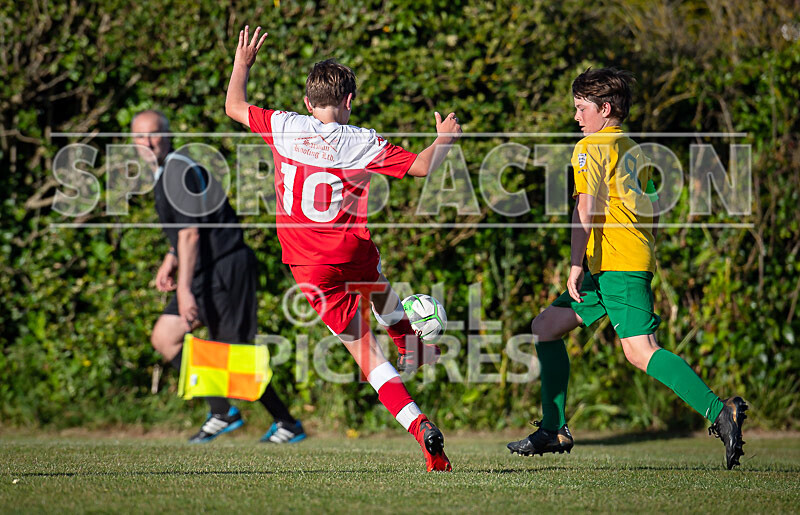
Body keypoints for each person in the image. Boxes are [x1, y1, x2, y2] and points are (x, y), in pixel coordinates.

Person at [224, 26, 461, 471]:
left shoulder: (285, 125)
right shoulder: (362, 140)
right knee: (375, 281)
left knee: (365, 352)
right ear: (349, 100)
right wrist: (445, 136)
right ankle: (409, 342)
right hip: (351, 249)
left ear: (307, 102)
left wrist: (243, 64)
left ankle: (420, 426)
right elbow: (423, 166)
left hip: (308, 264)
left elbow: (234, 106)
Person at [506, 68, 748, 470]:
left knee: (640, 351)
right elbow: (654, 209)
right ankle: (553, 428)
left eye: (581, 108)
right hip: (615, 263)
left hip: (616, 265)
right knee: (546, 326)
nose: (576, 117)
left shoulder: (589, 147)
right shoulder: (635, 149)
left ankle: (720, 411)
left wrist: (575, 264)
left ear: (605, 109)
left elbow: (583, 210)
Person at [131, 109, 305, 444]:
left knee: (234, 353)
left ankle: (286, 423)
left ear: (168, 136)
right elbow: (189, 229)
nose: (147, 142)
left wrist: (183, 289)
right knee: (165, 337)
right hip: (204, 269)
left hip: (225, 268)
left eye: (153, 134)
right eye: (140, 136)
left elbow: (191, 234)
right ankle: (223, 411)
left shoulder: (178, 171)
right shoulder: (168, 171)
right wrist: (171, 259)